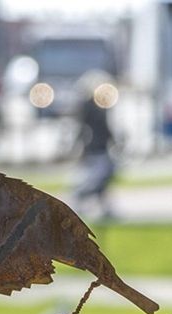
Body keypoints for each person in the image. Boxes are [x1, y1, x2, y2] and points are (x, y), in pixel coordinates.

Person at [72, 70, 118, 219]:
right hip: (94, 148)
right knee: (97, 178)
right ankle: (79, 197)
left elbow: (106, 127)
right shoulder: (88, 107)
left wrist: (114, 140)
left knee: (103, 177)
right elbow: (83, 128)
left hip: (100, 146)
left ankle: (105, 207)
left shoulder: (100, 106)